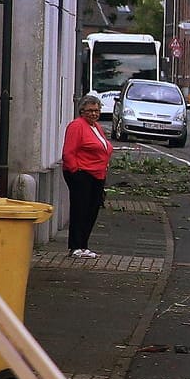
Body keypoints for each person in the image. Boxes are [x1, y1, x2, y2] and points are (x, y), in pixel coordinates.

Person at [62, 93, 112, 258]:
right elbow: (69, 152)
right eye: (90, 110)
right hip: (82, 174)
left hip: (97, 175)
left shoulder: (96, 127)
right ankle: (75, 246)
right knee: (79, 209)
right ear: (82, 111)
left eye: (96, 110)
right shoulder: (77, 126)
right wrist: (76, 172)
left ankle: (84, 245)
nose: (94, 114)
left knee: (91, 210)